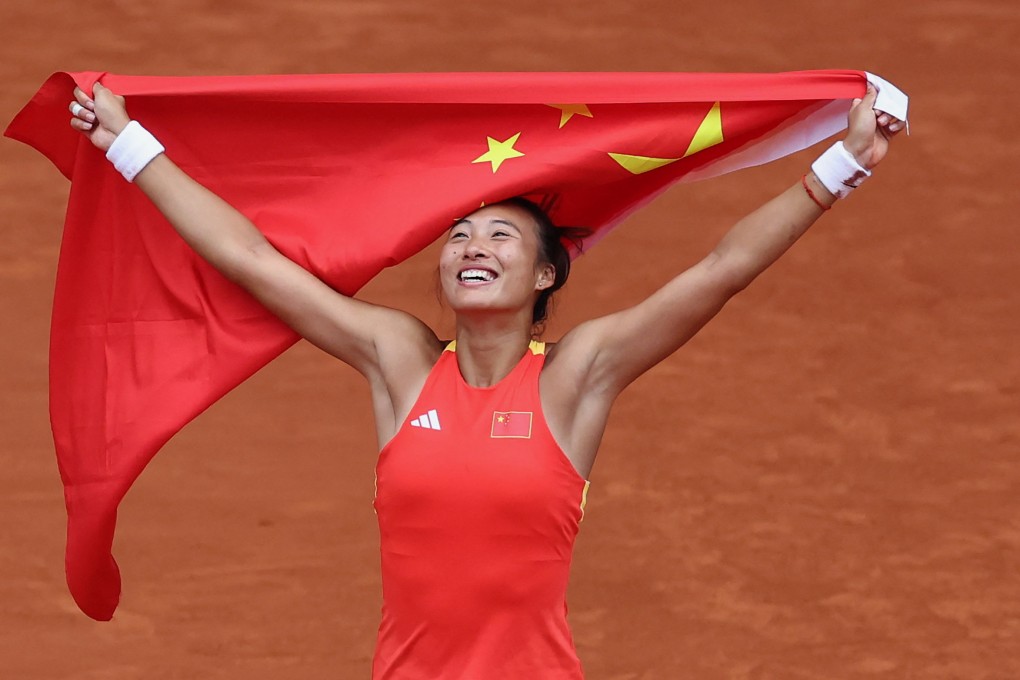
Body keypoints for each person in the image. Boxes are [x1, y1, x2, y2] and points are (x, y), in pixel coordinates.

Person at [68, 81, 903, 679]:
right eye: (460, 234)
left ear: (546, 276)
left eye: (502, 237)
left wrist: (842, 168)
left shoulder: (577, 376)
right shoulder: (399, 362)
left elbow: (721, 269)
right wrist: (128, 145)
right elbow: (250, 259)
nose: (473, 247)